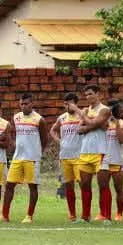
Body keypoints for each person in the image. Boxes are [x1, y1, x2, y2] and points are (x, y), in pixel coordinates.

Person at [68, 85, 111, 223]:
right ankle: (85, 216)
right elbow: (80, 129)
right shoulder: (86, 110)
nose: (88, 97)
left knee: (103, 184)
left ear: (98, 94)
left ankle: (106, 216)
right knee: (84, 184)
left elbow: (93, 122)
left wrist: (79, 112)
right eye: (86, 95)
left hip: (100, 151)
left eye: (90, 94)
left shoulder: (104, 109)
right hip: (85, 151)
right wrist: (93, 125)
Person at [2, 93, 47, 223]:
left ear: (32, 103)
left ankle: (29, 216)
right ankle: (4, 215)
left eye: (26, 103)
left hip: (32, 158)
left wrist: (37, 153)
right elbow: (13, 134)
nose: (23, 106)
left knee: (32, 186)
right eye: (21, 104)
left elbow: (44, 139)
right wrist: (13, 145)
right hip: (17, 157)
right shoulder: (16, 117)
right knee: (9, 185)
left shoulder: (39, 119)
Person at [50, 93, 83, 221]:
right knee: (69, 185)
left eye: (70, 103)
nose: (68, 106)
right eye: (66, 104)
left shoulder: (82, 116)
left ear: (76, 103)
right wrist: (59, 141)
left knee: (83, 184)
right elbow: (53, 130)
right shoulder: (62, 118)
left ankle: (85, 213)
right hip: (65, 156)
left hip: (79, 156)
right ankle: (72, 213)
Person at [102, 102, 123, 221]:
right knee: (103, 187)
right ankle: (104, 213)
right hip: (103, 160)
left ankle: (119, 213)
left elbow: (121, 140)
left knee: (119, 188)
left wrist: (116, 122)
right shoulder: (102, 122)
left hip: (117, 160)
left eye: (113, 110)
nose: (111, 113)